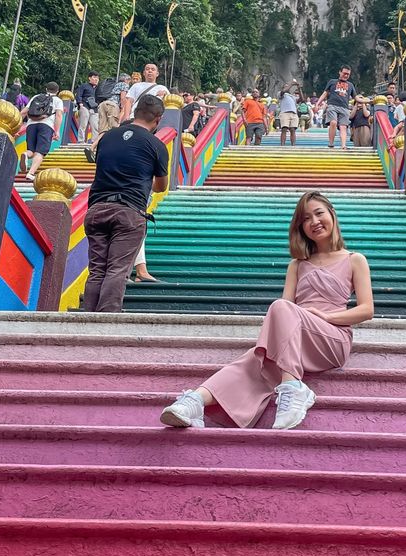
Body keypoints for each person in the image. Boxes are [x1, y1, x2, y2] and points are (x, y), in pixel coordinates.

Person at [160, 191, 374, 431]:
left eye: (319, 213)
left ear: (332, 215)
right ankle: (196, 401)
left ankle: (292, 386)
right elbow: (285, 312)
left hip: (332, 340)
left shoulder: (355, 259)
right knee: (254, 358)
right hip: (297, 339)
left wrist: (327, 317)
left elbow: (366, 310)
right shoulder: (297, 265)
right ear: (299, 227)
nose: (314, 222)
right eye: (305, 218)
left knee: (277, 317)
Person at [82, 95, 169, 312]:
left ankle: (86, 322)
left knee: (97, 271)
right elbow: (161, 186)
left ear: (135, 112)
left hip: (97, 209)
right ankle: (105, 323)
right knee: (117, 270)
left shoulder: (107, 137)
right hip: (129, 212)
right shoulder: (156, 145)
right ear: (158, 119)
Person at [18, 82, 64, 182]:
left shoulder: (36, 97)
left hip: (30, 125)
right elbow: (59, 115)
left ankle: (26, 154)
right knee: (40, 151)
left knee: (31, 149)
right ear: (57, 91)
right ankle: (30, 173)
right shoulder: (57, 100)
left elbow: (24, 112)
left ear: (46, 89)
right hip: (46, 126)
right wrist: (57, 131)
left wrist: (17, 128)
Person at [85, 73, 131, 162]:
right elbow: (123, 98)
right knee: (114, 129)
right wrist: (122, 110)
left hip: (102, 105)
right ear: (126, 80)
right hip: (113, 106)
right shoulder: (124, 85)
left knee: (104, 130)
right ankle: (111, 151)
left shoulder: (113, 85)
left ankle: (92, 147)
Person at [315, 64, 357, 150]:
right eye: (344, 73)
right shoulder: (332, 82)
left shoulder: (350, 85)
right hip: (332, 105)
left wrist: (367, 101)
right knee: (333, 122)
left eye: (348, 74)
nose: (345, 75)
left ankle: (343, 145)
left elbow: (355, 97)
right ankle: (331, 143)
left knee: (343, 126)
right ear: (340, 72)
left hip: (344, 107)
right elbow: (325, 93)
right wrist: (317, 103)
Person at [75, 71, 100, 143]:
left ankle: (94, 141)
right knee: (83, 124)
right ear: (89, 78)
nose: (96, 79)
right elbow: (78, 94)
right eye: (94, 77)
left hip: (94, 108)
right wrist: (80, 104)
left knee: (95, 125)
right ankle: (80, 140)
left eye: (97, 78)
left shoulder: (98, 88)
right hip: (84, 105)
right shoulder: (84, 85)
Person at [279, 80, 302, 146]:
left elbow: (302, 99)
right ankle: (282, 145)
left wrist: (299, 89)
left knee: (293, 129)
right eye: (285, 87)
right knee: (284, 128)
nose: (287, 88)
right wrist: (291, 84)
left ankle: (293, 145)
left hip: (294, 113)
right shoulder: (281, 94)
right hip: (285, 113)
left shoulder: (292, 96)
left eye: (288, 87)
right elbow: (283, 91)